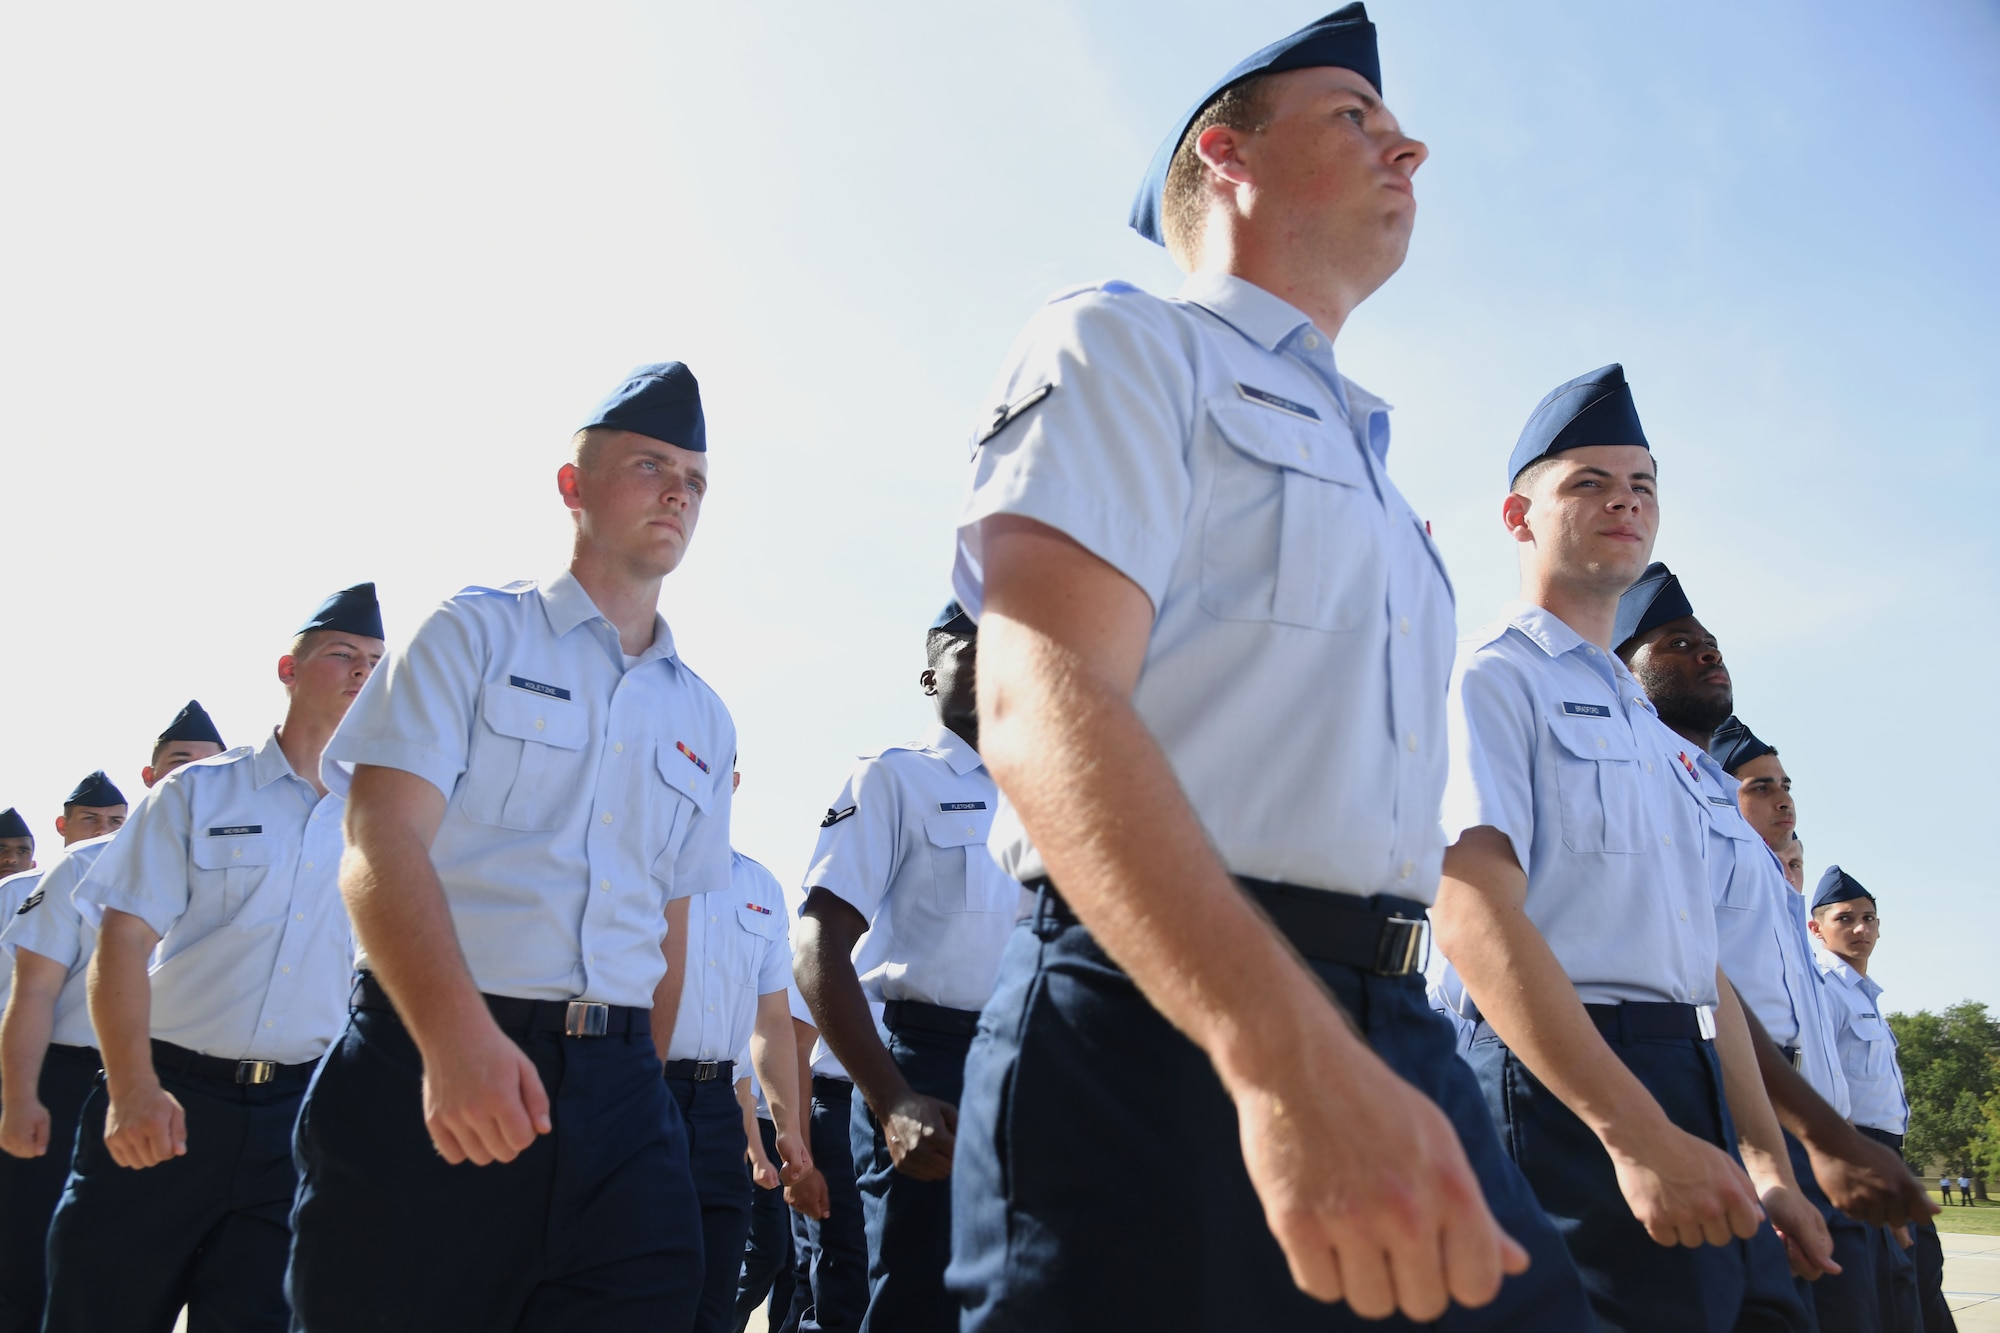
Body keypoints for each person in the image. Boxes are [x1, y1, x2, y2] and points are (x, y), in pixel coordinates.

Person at [945, 7, 1596, 1328]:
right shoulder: (1129, 347)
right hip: (1162, 1027)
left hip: (1393, 1023)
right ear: (1225, 155)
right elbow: (1037, 702)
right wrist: (1284, 1058)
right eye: (1355, 118)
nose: (1405, 147)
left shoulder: (1374, 465)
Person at [291, 363, 733, 1333]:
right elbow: (379, 837)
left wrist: (640, 1095)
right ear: (572, 486)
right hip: (435, 1058)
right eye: (649, 465)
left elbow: (669, 922)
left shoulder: (703, 715)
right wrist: (453, 1037)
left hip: (619, 1102)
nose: (675, 492)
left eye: (693, 479)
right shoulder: (473, 634)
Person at [1433, 364, 1825, 1333]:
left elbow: (1700, 972)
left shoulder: (1655, 737)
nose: (1623, 501)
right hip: (1568, 1087)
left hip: (1684, 1078)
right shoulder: (1493, 679)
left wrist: (1767, 1161)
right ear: (1516, 517)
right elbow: (1472, 914)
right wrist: (1631, 1133)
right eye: (1587, 482)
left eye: (1641, 484)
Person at [39, 588, 382, 1332]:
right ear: (288, 667)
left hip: (298, 1117)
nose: (362, 674)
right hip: (170, 1098)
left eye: (376, 664)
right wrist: (132, 1088)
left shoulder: (386, 812)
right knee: (100, 1308)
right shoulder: (201, 792)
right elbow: (122, 940)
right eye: (343, 656)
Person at [1618, 580, 1933, 1332]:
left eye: (1786, 785)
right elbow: (1703, 978)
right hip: (1727, 1101)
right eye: (1679, 644)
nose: (1706, 653)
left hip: (1789, 1111)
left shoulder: (1740, 837)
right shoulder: (1649, 779)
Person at [794, 602, 1018, 1332]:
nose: (992, 651)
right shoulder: (894, 777)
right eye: (969, 642)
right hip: (929, 1066)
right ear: (930, 672)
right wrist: (891, 1099)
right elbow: (816, 942)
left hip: (1033, 1058)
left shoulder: (1054, 791)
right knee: (916, 1304)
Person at [0, 702, 225, 1333]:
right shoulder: (83, 864)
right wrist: (18, 1096)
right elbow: (27, 994)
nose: (195, 778)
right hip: (72, 1079)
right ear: (151, 777)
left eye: (210, 766)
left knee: (141, 1267)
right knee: (33, 1261)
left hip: (181, 1081)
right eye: (180, 764)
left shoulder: (236, 855)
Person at [667, 822, 808, 1333]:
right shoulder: (639, 859)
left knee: (717, 1287)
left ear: (732, 779)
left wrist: (788, 1128)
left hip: (719, 1106)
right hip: (643, 1089)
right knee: (636, 1283)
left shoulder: (760, 887)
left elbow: (772, 1021)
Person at [1811, 868, 1955, 1332]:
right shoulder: (1824, 990)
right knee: (1893, 1291)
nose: (1860, 929)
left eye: (1869, 918)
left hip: (1891, 1155)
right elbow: (1824, 1086)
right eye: (1845, 918)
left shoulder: (1864, 994)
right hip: (1860, 1155)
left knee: (1921, 1277)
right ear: (1816, 927)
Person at [785, 983, 868, 1333]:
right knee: (841, 1286)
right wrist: (802, 1160)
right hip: (841, 1108)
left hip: (923, 1104)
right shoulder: (835, 933)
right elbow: (796, 1044)